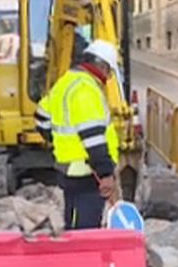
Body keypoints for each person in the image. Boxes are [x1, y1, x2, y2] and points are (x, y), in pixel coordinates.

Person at [35, 40, 122, 230]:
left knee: (72, 221)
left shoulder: (65, 82)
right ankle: (82, 259)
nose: (108, 77)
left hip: (68, 168)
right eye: (109, 71)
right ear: (102, 66)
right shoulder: (86, 89)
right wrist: (105, 173)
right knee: (86, 229)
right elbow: (94, 139)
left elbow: (41, 119)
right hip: (86, 172)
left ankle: (71, 257)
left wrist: (61, 143)